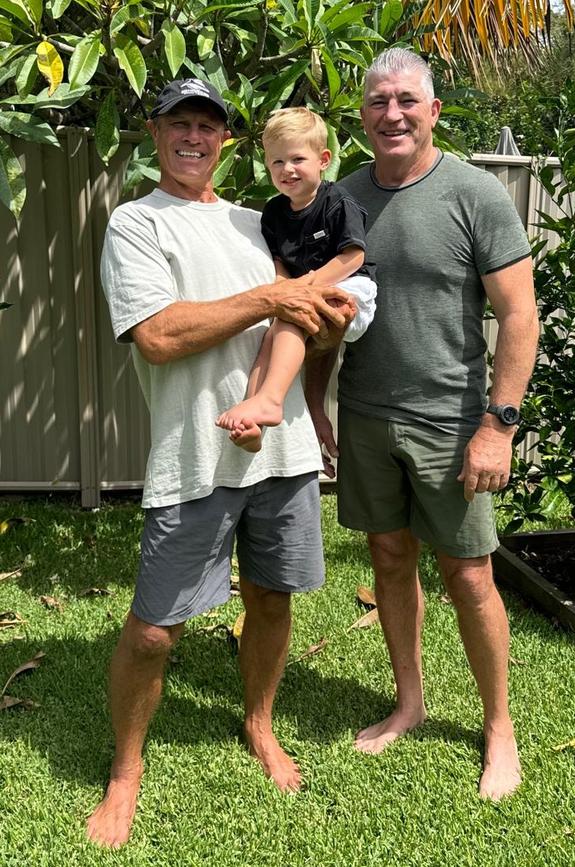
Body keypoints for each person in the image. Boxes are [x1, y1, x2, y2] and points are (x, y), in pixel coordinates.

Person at [87, 78, 356, 849]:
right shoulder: (135, 224)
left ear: (227, 143)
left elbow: (308, 324)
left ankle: (260, 722)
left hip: (283, 450)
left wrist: (323, 317)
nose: (194, 138)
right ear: (155, 134)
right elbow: (160, 336)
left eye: (208, 126)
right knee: (153, 632)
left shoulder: (257, 222)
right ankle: (127, 768)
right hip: (195, 455)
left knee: (272, 600)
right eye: (180, 124)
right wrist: (274, 297)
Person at [305, 48, 539, 801]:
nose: (393, 113)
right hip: (367, 414)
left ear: (434, 111)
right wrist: (315, 402)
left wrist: (498, 425)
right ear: (363, 115)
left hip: (452, 421)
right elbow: (319, 316)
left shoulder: (475, 194)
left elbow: (518, 315)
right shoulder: (341, 200)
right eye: (378, 102)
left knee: (469, 573)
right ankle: (410, 699)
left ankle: (498, 725)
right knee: (388, 556)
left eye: (407, 99)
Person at [217, 107, 377, 453]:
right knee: (271, 336)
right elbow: (279, 262)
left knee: (291, 318)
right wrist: (282, 288)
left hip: (352, 287)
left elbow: (354, 256)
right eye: (276, 162)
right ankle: (253, 420)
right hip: (306, 288)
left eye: (297, 159)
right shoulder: (274, 211)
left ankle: (271, 399)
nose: (287, 169)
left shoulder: (337, 201)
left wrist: (305, 287)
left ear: (323, 159)